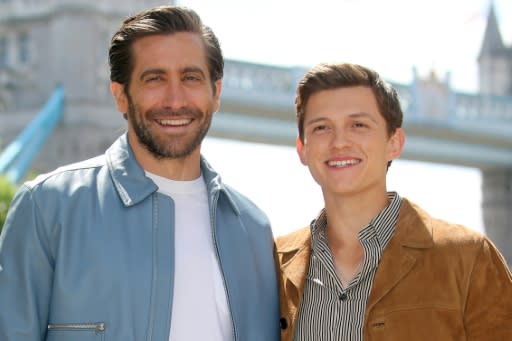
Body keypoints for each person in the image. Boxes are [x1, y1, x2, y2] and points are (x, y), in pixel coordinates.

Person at [0, 5, 280, 341]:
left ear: (216, 93)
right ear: (120, 95)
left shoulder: (253, 227)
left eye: (190, 78)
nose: (175, 100)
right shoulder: (47, 207)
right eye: (154, 79)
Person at [276, 62, 512, 340]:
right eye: (321, 128)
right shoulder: (272, 265)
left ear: (394, 142)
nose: (339, 141)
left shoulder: (469, 258)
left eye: (359, 125)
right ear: (302, 149)